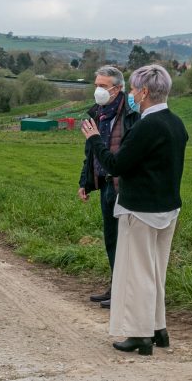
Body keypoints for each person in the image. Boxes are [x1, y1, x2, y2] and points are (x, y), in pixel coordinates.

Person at [80, 64, 188, 355]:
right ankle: (157, 329)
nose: (133, 94)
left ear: (143, 92)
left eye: (135, 89)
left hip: (140, 210)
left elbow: (116, 165)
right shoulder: (176, 123)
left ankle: (140, 335)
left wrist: (94, 140)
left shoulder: (146, 125)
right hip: (167, 208)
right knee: (155, 271)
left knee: (137, 273)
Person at [78, 66, 139, 309]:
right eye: (96, 85)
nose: (98, 91)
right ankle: (116, 286)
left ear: (118, 88)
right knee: (112, 239)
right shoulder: (97, 113)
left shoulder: (131, 114)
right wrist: (85, 181)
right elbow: (91, 150)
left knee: (125, 241)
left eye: (103, 86)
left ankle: (124, 292)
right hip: (104, 184)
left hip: (122, 184)